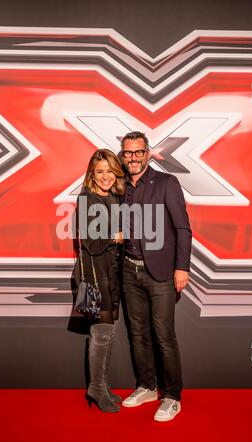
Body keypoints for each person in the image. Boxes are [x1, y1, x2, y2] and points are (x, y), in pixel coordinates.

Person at [120, 131, 192, 422]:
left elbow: (182, 229)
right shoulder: (118, 185)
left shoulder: (166, 183)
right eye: (128, 153)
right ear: (122, 155)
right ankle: (147, 386)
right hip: (128, 269)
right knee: (138, 335)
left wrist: (182, 267)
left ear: (147, 153)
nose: (134, 158)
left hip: (161, 272)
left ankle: (172, 396)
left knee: (163, 336)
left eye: (139, 152)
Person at [75, 149, 125, 413]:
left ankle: (102, 386)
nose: (105, 176)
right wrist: (117, 237)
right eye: (100, 171)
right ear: (92, 174)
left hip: (110, 272)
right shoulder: (86, 198)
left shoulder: (114, 197)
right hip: (93, 273)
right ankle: (95, 387)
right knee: (100, 333)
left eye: (109, 170)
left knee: (108, 333)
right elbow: (91, 243)